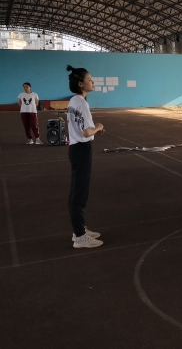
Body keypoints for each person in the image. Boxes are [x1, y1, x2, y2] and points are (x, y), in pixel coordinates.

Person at [66, 65, 106, 249]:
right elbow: (86, 132)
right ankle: (80, 236)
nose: (93, 81)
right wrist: (98, 127)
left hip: (76, 149)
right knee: (80, 193)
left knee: (77, 191)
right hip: (82, 149)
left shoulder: (73, 101)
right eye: (89, 79)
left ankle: (79, 230)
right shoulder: (81, 103)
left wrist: (93, 129)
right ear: (80, 83)